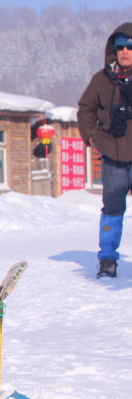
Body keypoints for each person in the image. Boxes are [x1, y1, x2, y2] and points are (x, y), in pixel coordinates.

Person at [77, 24, 132, 278]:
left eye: (130, 46)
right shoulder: (101, 79)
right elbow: (85, 108)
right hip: (113, 153)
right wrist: (90, 135)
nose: (125, 51)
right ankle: (107, 259)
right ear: (113, 48)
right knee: (112, 208)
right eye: (120, 46)